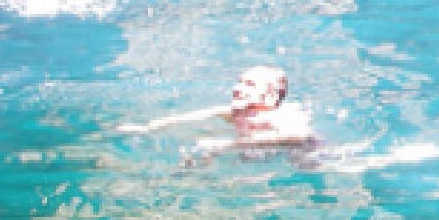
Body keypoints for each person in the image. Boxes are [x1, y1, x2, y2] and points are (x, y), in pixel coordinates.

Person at [120, 65, 319, 150]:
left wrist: (226, 144)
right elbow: (188, 117)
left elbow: (299, 136)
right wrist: (147, 128)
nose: (236, 89)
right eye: (239, 82)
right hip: (255, 153)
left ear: (270, 96)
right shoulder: (237, 112)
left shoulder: (283, 115)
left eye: (248, 85)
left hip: (301, 155)